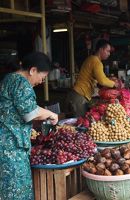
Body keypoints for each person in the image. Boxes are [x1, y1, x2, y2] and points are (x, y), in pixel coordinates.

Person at [0, 52, 58, 200]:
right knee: (17, 190)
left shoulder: (9, 79)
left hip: (5, 143)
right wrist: (51, 114)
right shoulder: (21, 83)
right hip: (12, 148)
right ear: (32, 70)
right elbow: (31, 113)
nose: (41, 81)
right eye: (42, 77)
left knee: (6, 189)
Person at [65, 39, 118, 117]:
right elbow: (102, 80)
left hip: (76, 94)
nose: (109, 54)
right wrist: (115, 84)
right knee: (79, 123)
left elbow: (100, 77)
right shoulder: (96, 62)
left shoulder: (91, 59)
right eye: (107, 51)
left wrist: (109, 80)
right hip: (80, 96)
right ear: (101, 49)